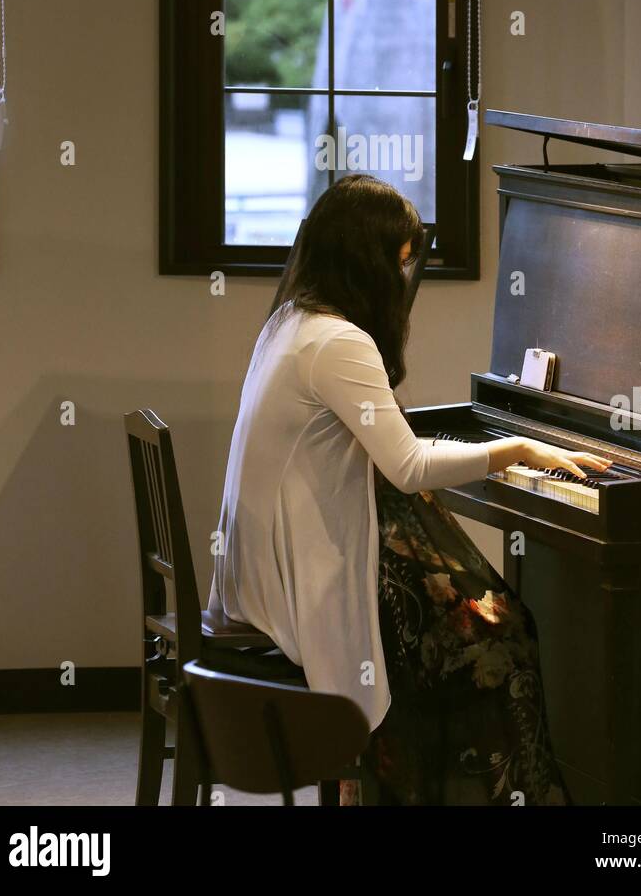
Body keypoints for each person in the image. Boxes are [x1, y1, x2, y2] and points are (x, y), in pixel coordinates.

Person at [208, 174, 611, 805]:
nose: (404, 281)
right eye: (399, 263)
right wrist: (517, 449)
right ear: (367, 262)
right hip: (297, 585)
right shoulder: (339, 342)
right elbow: (408, 468)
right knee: (500, 635)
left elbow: (391, 453)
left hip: (263, 568)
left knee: (462, 616)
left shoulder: (291, 320)